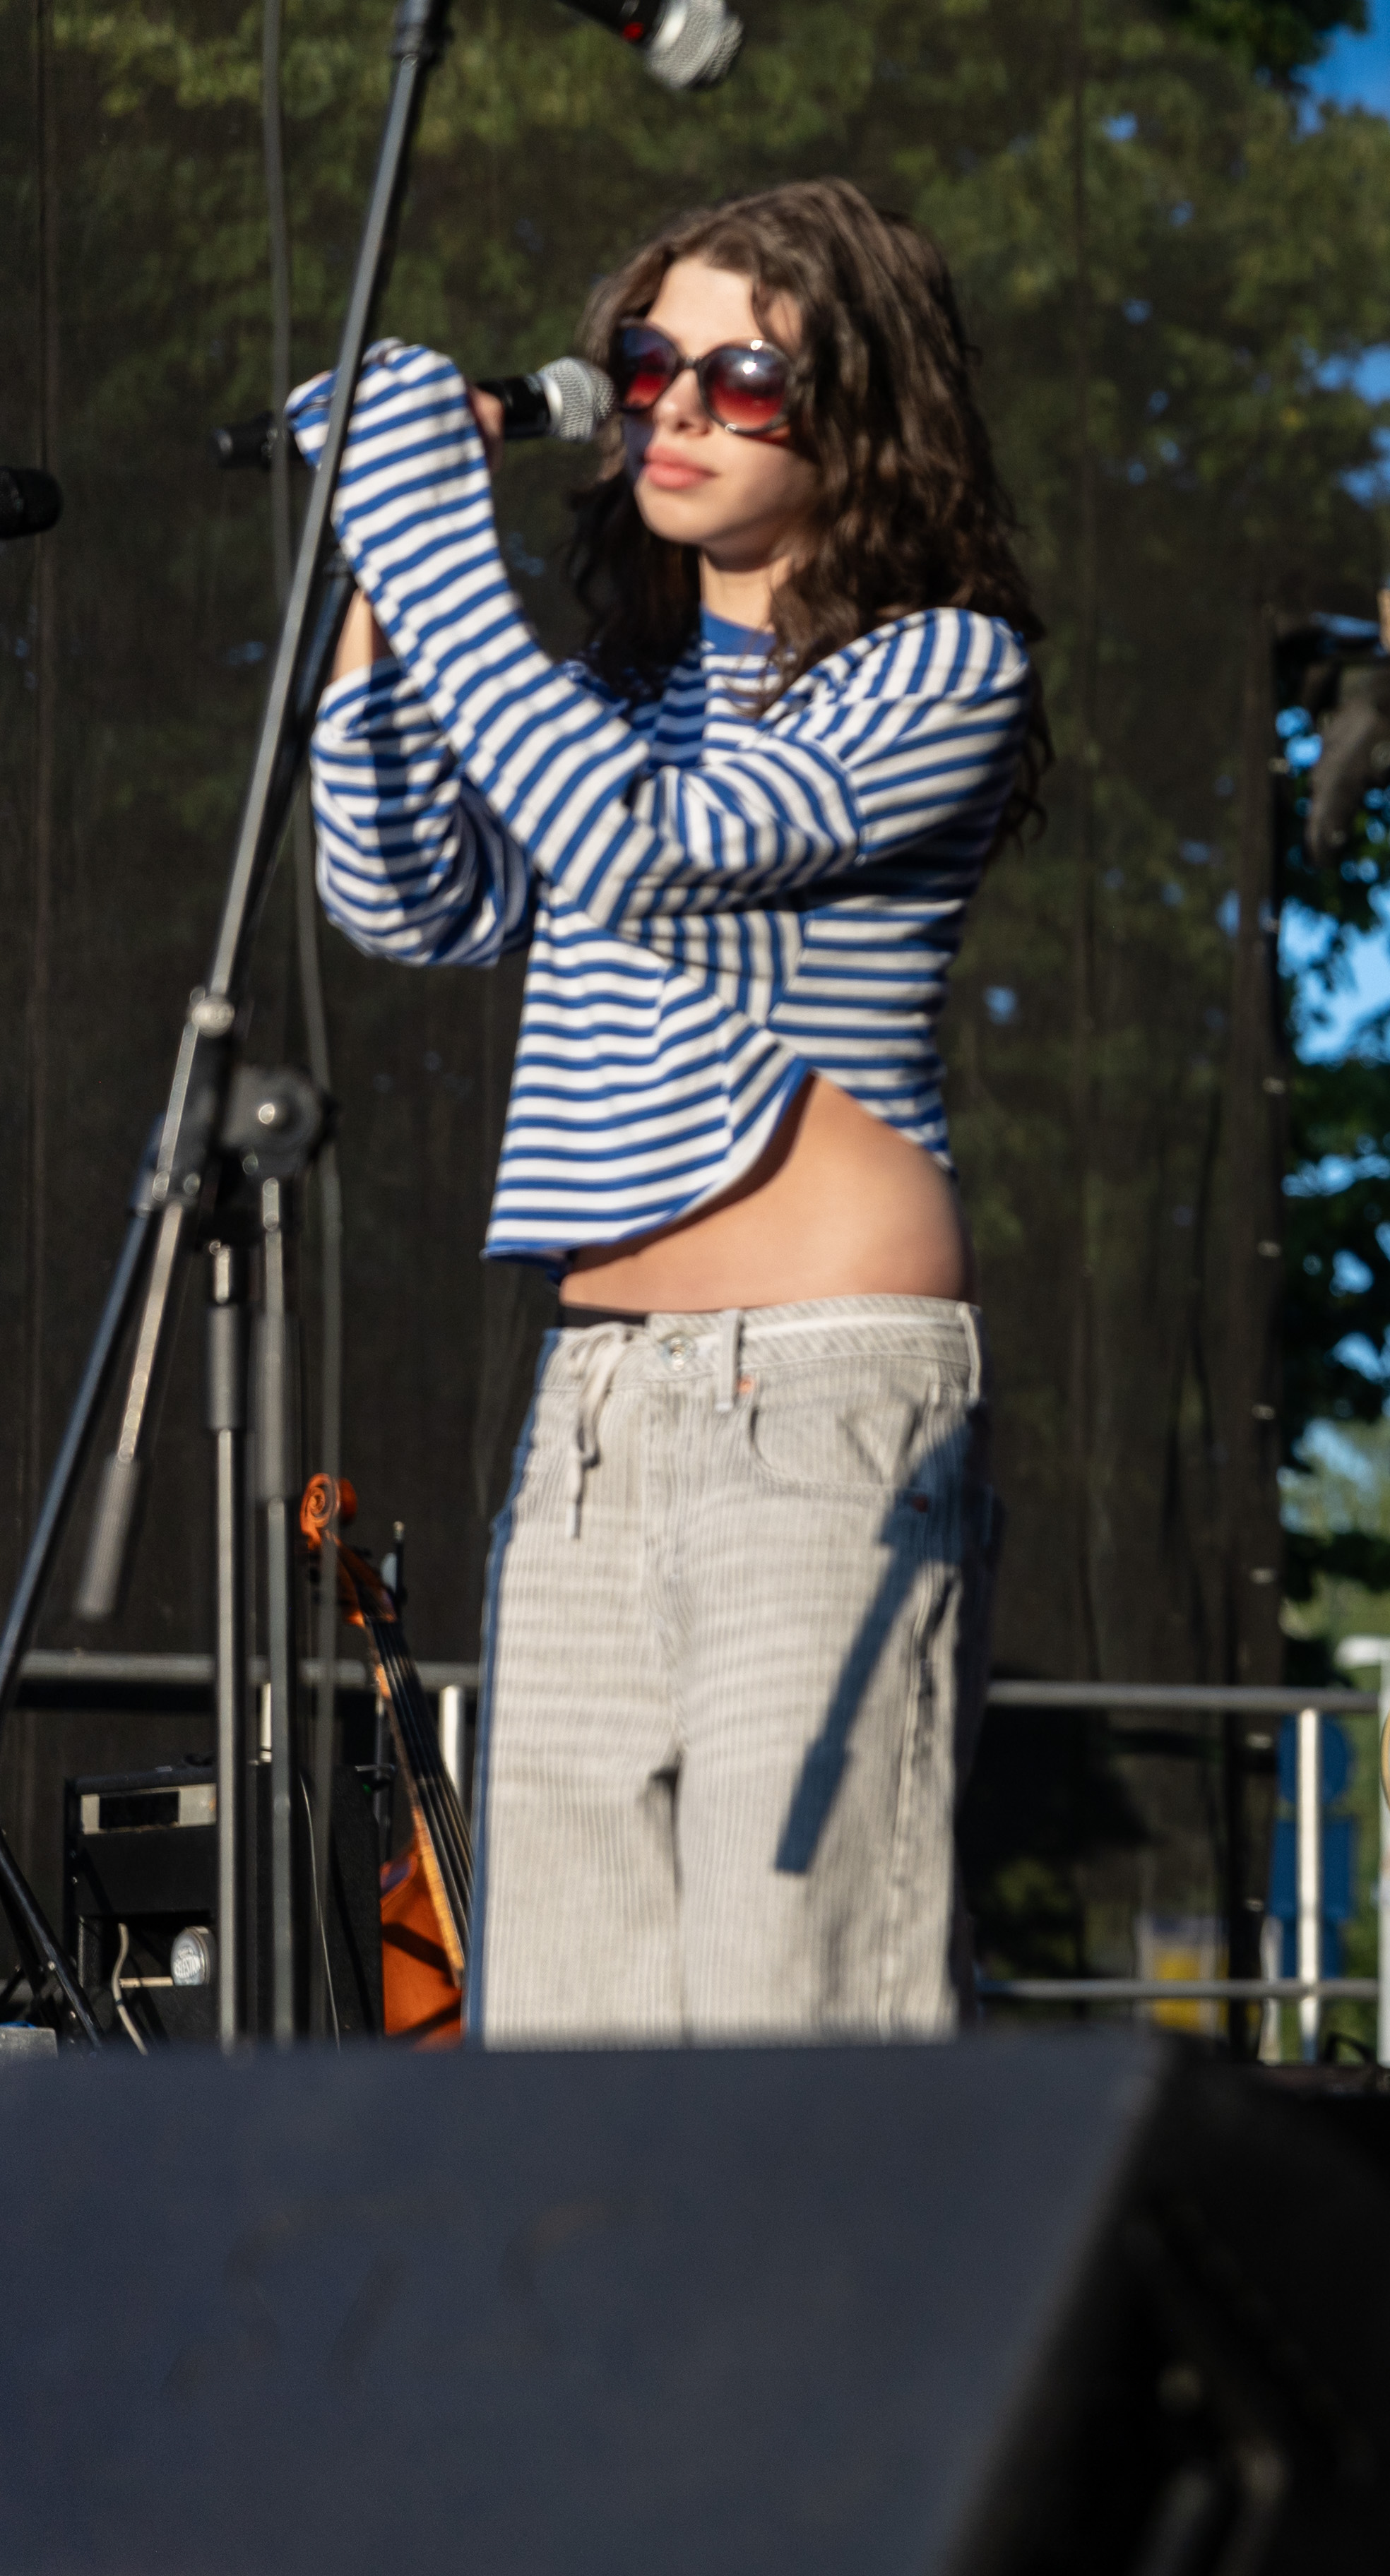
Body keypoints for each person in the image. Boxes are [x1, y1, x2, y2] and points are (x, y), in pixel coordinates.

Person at [296, 179, 1040, 2040]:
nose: (682, 408)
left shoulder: (938, 668)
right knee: (562, 2019)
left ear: (860, 415)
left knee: (796, 2007)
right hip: (599, 1408)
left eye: (747, 379)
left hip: (823, 1398)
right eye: (647, 366)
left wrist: (434, 542)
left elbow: (645, 852)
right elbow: (403, 895)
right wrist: (381, 571)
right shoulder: (607, 699)